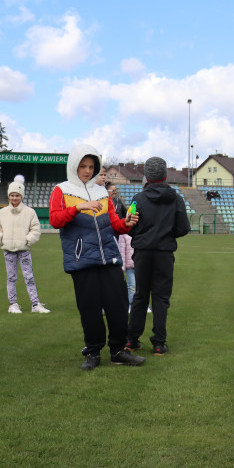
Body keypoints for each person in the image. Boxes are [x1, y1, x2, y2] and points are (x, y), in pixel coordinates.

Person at [49, 144, 145, 370]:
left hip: (109, 258)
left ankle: (118, 351)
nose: (87, 170)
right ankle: (93, 352)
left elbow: (114, 224)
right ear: (74, 166)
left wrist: (126, 223)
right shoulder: (61, 190)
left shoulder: (103, 192)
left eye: (91, 166)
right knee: (90, 309)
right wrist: (78, 207)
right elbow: (55, 220)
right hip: (82, 261)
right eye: (82, 166)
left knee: (119, 306)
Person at [125, 157, 191, 355]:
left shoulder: (138, 199)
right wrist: (167, 235)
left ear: (146, 176)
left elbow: (130, 226)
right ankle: (159, 343)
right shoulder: (176, 199)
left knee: (140, 296)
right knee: (161, 298)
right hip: (164, 253)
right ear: (165, 175)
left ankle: (131, 339)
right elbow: (183, 228)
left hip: (143, 252)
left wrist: (141, 236)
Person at [0, 180, 49, 314]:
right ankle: (13, 304)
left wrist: (27, 241)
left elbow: (36, 229)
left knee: (29, 277)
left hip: (24, 250)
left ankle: (35, 304)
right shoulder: (2, 212)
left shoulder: (30, 212)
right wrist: (1, 239)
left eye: (17, 195)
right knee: (11, 277)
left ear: (21, 196)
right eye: (12, 195)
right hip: (8, 250)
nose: (14, 198)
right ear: (8, 196)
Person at [119, 232, 135, 304]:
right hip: (130, 267)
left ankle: (144, 305)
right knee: (132, 286)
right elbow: (122, 252)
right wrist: (122, 267)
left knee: (142, 287)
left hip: (141, 265)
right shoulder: (123, 235)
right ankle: (131, 304)